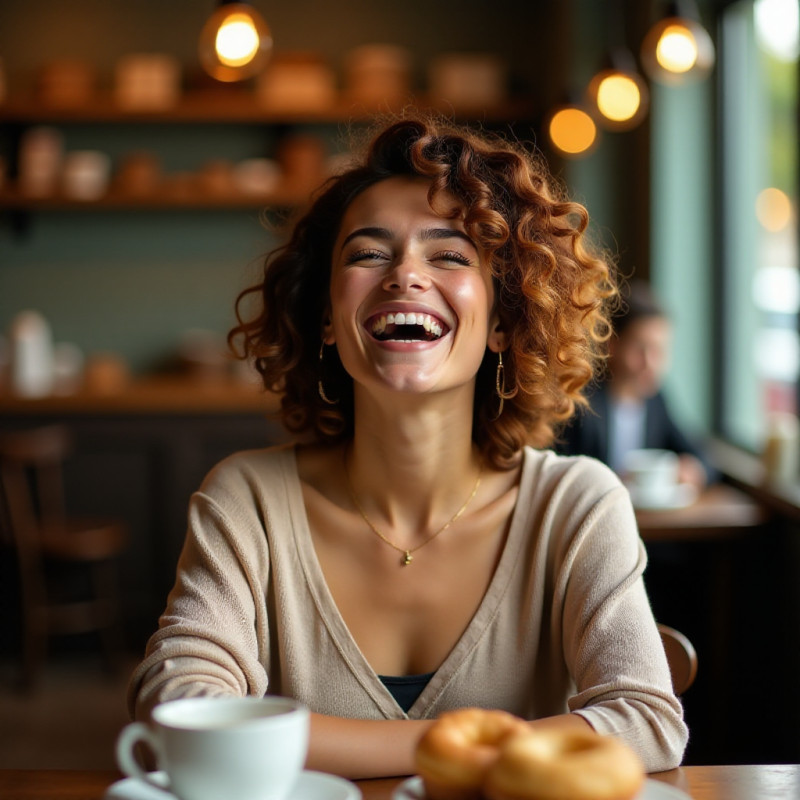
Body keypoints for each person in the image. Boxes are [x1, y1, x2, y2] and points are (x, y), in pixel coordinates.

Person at [127, 116, 687, 778]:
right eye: (368, 253)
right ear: (327, 319)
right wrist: (472, 749)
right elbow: (176, 705)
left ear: (505, 321)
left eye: (449, 255)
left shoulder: (577, 504)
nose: (405, 275)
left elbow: (646, 722)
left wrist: (292, 740)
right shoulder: (247, 500)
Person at [557, 280, 716, 490]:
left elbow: (701, 454)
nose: (650, 363)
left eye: (659, 351)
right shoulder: (582, 402)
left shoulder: (656, 400)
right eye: (640, 349)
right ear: (612, 345)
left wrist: (695, 470)